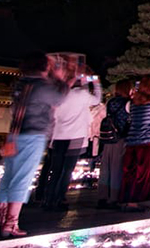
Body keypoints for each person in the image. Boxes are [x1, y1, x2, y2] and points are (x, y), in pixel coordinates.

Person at [0, 52, 66, 238]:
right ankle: (11, 223)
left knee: (8, 176)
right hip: (33, 135)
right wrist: (60, 79)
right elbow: (59, 98)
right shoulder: (42, 86)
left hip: (14, 134)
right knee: (22, 178)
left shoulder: (20, 83)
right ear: (44, 67)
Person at [40, 65, 102, 211]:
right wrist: (96, 83)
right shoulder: (82, 95)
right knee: (67, 170)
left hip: (58, 135)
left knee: (55, 169)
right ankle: (59, 199)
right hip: (75, 136)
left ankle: (47, 199)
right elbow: (96, 99)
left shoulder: (58, 94)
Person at [119, 74, 150, 211]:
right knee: (143, 172)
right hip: (149, 140)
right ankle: (134, 201)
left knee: (130, 171)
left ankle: (127, 199)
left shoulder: (134, 100)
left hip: (132, 140)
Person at [97, 80, 132, 209]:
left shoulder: (111, 102)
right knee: (117, 168)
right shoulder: (128, 103)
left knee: (106, 167)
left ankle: (102, 196)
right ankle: (114, 197)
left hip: (108, 138)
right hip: (120, 138)